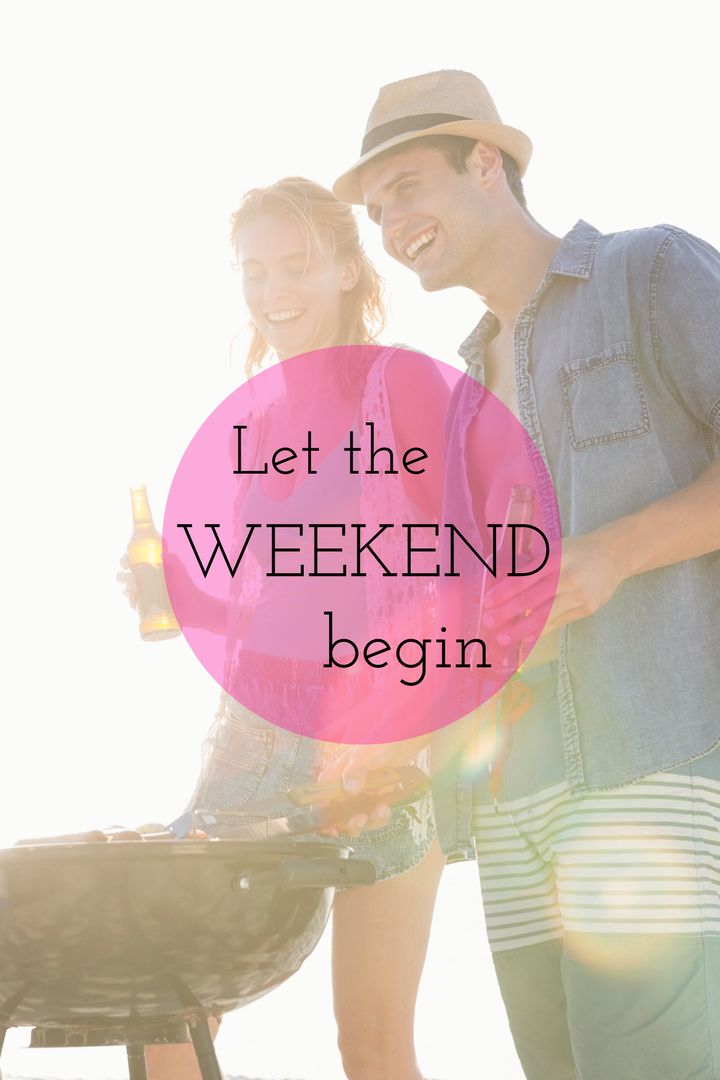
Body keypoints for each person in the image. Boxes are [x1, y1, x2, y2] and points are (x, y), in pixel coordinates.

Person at [330, 70, 720, 1079]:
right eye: (377, 211)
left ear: (488, 164)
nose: (392, 222)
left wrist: (615, 552)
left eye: (409, 186)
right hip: (511, 804)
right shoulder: (458, 405)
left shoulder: (650, 273)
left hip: (652, 771)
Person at [122, 176, 447, 1080]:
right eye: (254, 272)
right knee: (166, 1014)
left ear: (349, 268)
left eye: (296, 267)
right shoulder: (261, 421)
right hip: (254, 741)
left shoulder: (404, 388)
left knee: (373, 1043)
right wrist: (188, 598)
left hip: (376, 742)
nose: (274, 292)